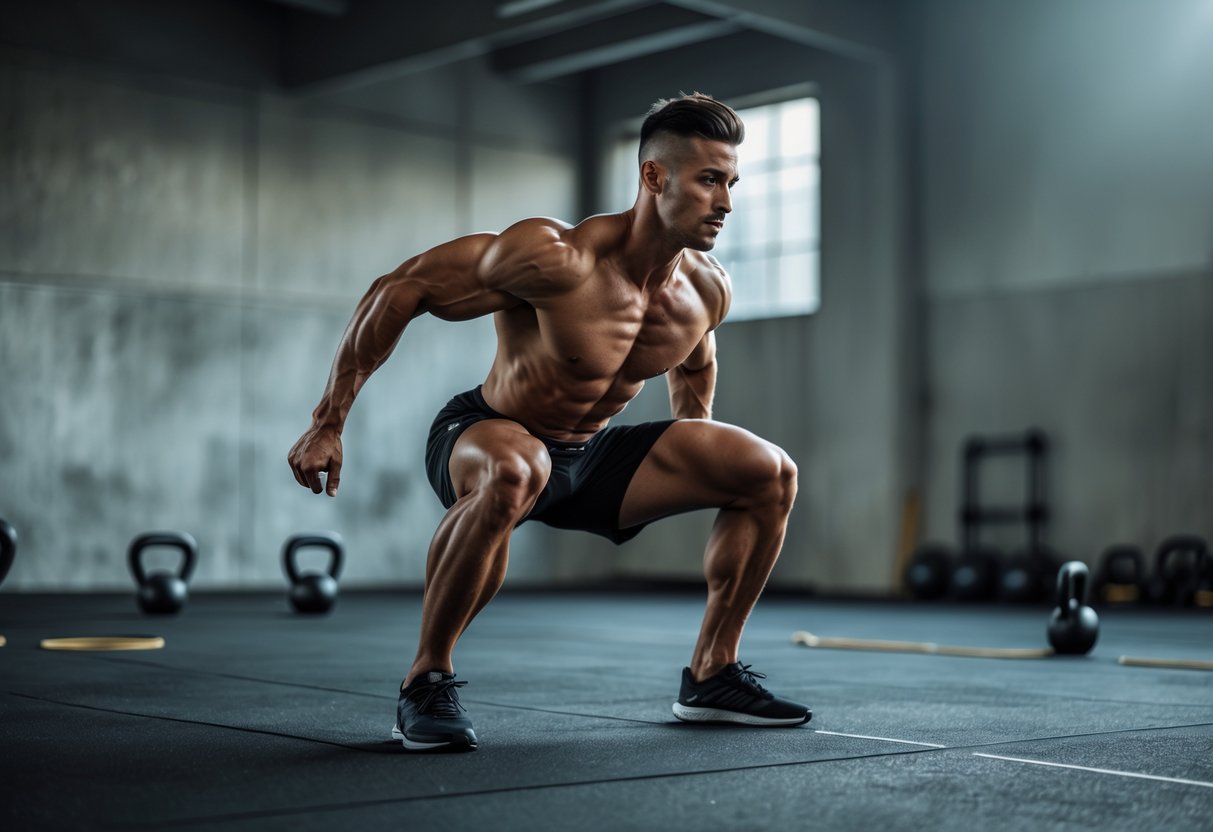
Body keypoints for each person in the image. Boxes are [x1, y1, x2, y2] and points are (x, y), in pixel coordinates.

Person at [288, 92, 811, 752]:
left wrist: (694, 434)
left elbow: (695, 361)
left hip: (590, 455)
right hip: (488, 433)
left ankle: (712, 673)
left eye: (732, 182)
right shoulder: (557, 258)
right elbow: (401, 288)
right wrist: (328, 421)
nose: (726, 202)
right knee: (518, 468)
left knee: (770, 472)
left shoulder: (706, 288)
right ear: (654, 176)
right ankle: (425, 680)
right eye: (709, 180)